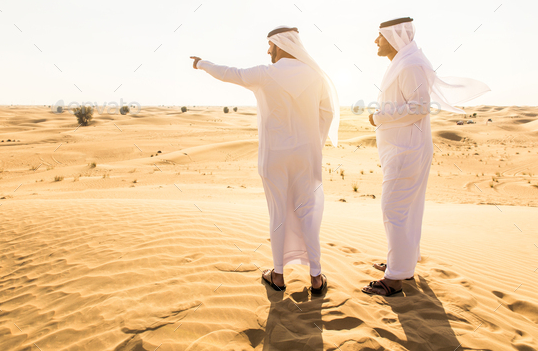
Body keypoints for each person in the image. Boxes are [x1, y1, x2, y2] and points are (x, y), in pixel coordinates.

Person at [191, 26, 339, 294]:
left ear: (280, 44)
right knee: (308, 211)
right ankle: (316, 277)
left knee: (278, 212)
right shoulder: (315, 76)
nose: (268, 50)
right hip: (306, 156)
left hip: (274, 157)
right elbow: (327, 113)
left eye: (270, 45)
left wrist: (202, 64)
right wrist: (313, 143)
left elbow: (228, 74)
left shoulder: (265, 74)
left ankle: (279, 276)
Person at [363, 17, 490, 296]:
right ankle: (401, 264)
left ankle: (394, 279)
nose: (376, 41)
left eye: (380, 36)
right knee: (404, 209)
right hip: (401, 149)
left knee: (393, 209)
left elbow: (420, 107)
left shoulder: (410, 65)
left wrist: (377, 117)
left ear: (394, 37)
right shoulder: (405, 62)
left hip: (406, 151)